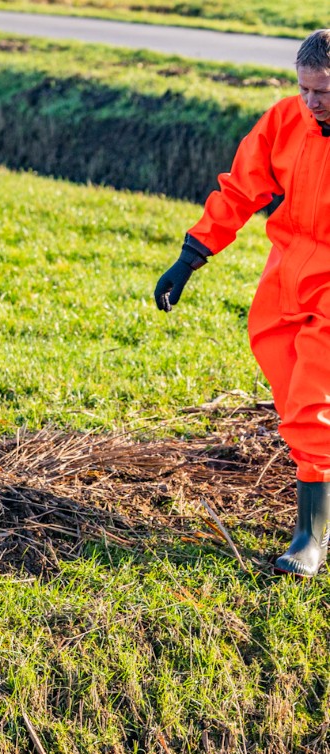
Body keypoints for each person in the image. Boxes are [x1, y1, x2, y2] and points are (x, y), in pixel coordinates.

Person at [156, 30, 330, 577]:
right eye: (304, 90)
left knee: (311, 403)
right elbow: (240, 189)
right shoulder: (285, 120)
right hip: (286, 269)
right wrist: (191, 256)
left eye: (323, 91)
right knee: (283, 376)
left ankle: (311, 536)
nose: (312, 103)